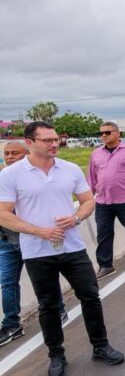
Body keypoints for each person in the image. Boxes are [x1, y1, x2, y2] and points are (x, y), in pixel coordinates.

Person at [0, 121, 124, 376]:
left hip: (72, 247)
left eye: (56, 139)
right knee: (48, 305)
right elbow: (3, 214)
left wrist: (76, 218)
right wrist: (39, 231)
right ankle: (56, 355)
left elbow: (88, 201)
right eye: (47, 140)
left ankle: (100, 346)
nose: (54, 144)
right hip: (37, 251)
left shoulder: (70, 169)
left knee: (90, 296)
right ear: (30, 143)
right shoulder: (11, 175)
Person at [0, 141, 68, 346]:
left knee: (46, 279)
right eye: (6, 153)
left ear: (27, 153)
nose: (10, 157)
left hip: (34, 239)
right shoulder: (4, 178)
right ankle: (12, 324)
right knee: (8, 283)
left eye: (15, 153)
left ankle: (59, 309)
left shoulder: (34, 178)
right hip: (7, 242)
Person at [88, 121, 125, 279]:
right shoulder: (96, 153)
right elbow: (92, 177)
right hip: (103, 201)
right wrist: (88, 198)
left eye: (107, 132)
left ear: (117, 133)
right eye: (101, 133)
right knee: (103, 233)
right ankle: (105, 265)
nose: (103, 135)